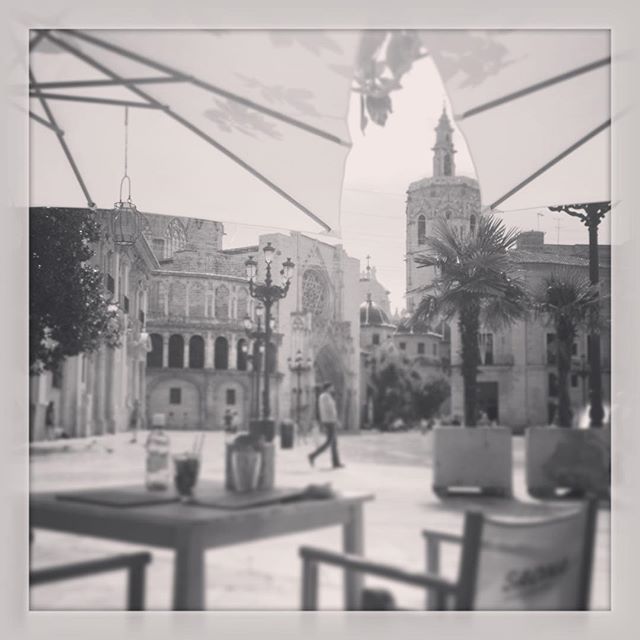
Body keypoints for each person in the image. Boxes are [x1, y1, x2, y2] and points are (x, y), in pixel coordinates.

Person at [308, 382, 344, 469]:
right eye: (332, 387)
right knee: (329, 442)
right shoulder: (326, 397)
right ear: (328, 388)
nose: (333, 389)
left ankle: (336, 463)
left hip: (327, 420)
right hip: (330, 421)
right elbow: (330, 410)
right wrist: (336, 420)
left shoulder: (323, 396)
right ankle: (312, 456)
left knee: (334, 443)